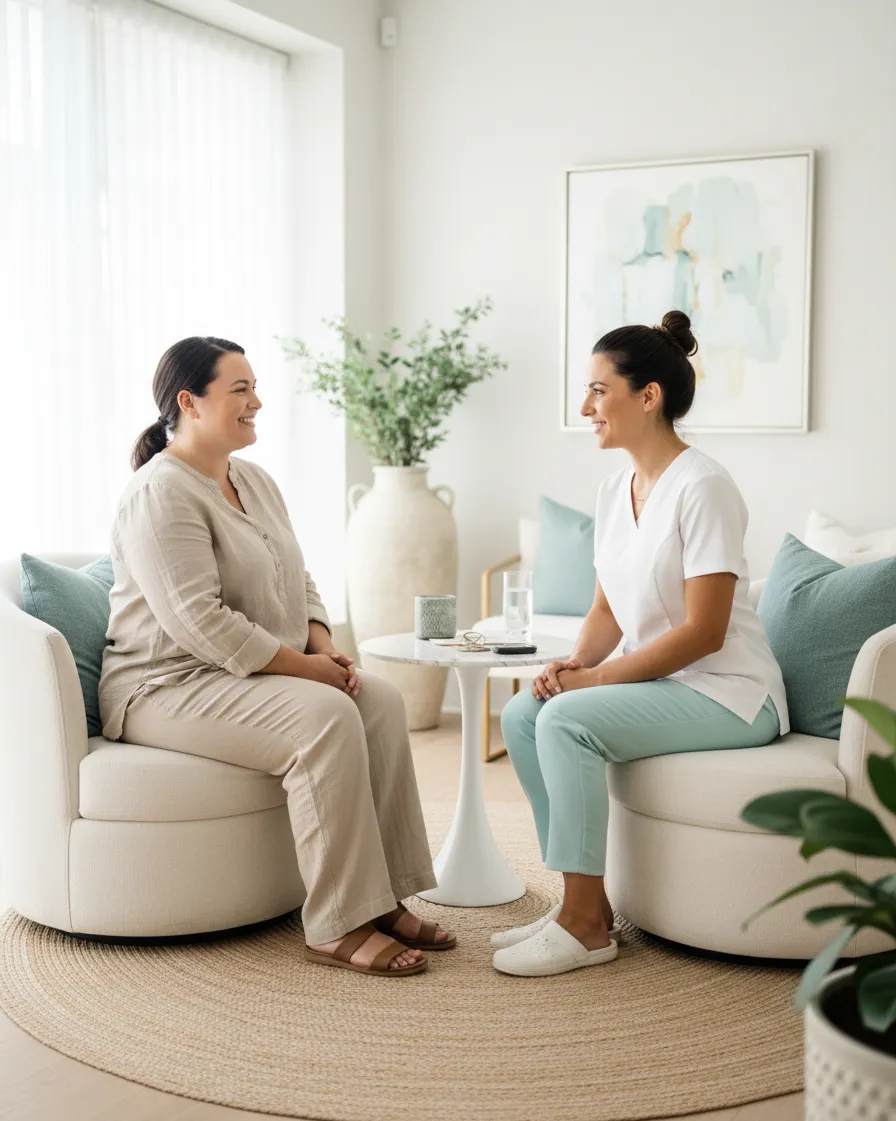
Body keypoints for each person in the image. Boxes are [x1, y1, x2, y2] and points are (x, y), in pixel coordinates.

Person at [98, 336, 455, 977]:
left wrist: (326, 648)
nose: (257, 402)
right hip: (164, 685)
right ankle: (337, 923)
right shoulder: (159, 494)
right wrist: (307, 671)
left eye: (255, 388)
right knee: (322, 717)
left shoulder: (253, 480)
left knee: (378, 699)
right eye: (241, 390)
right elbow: (198, 622)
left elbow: (299, 577)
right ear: (190, 402)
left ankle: (386, 898)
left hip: (248, 670)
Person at [494, 311, 788, 979]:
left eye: (599, 390)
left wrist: (597, 685)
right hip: (667, 685)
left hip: (731, 693)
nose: (585, 406)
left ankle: (584, 929)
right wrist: (573, 663)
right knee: (525, 713)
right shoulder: (613, 487)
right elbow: (606, 608)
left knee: (566, 719)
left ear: (647, 395)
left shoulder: (704, 485)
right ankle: (585, 903)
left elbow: (705, 631)